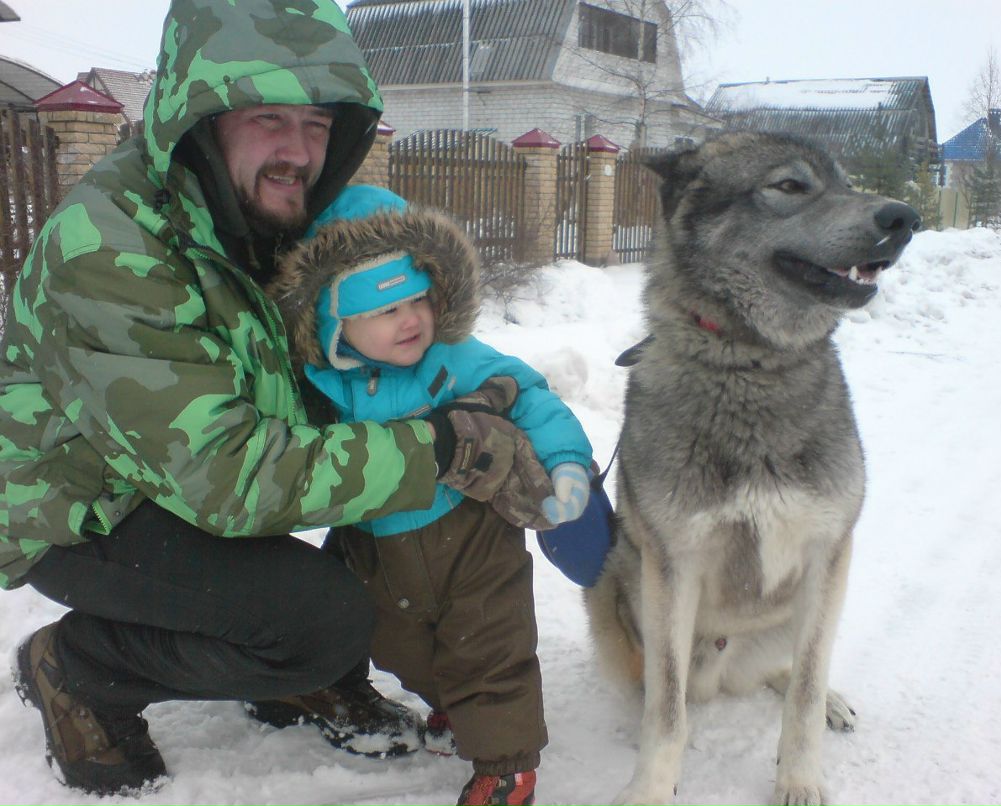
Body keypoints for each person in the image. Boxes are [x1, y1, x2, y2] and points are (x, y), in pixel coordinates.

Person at [0, 0, 553, 797]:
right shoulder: (112, 249)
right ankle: (79, 668)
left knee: (380, 534)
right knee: (320, 619)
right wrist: (441, 446)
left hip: (184, 477)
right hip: (80, 505)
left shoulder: (260, 215)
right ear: (200, 119)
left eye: (319, 123)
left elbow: (334, 375)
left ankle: (295, 673)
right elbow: (227, 478)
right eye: (268, 118)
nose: (299, 150)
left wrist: (470, 395)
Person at [268, 185, 594, 806]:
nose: (412, 319)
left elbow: (526, 394)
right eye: (387, 311)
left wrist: (567, 462)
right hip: (376, 545)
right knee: (398, 644)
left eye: (418, 298)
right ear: (337, 323)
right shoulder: (317, 386)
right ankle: (450, 705)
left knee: (487, 646)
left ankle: (507, 764)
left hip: (471, 534)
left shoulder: (452, 357)